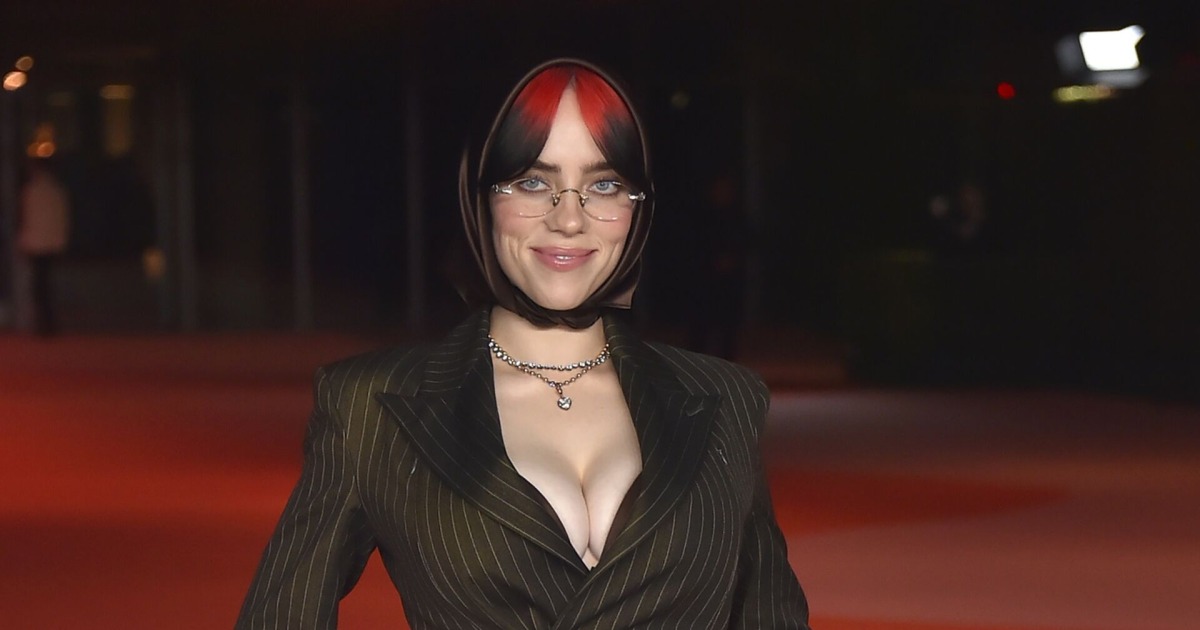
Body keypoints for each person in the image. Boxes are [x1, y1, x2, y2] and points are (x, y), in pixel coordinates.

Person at [237, 58, 809, 629]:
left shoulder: (726, 401)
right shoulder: (371, 407)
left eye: (604, 185)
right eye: (534, 182)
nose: (569, 219)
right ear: (480, 197)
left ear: (639, 206)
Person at [18, 158, 72, 336]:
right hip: (50, 243)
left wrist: (24, 241)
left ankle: (44, 324)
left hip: (37, 244)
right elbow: (61, 218)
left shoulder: (32, 191)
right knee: (45, 284)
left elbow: (27, 218)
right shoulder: (56, 190)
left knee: (40, 286)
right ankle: (47, 323)